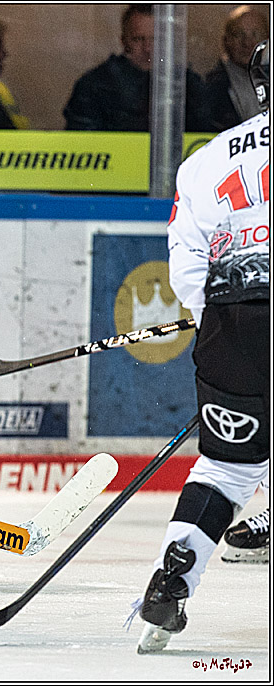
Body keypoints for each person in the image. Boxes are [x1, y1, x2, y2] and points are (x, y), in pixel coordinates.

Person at [136, 40, 269, 654]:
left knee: (225, 469)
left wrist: (223, 327)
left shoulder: (206, 161)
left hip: (232, 322)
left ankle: (171, 581)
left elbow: (189, 271)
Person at [63, 4, 208, 132]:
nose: (147, 48)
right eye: (138, 39)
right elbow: (83, 140)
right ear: (123, 41)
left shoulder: (187, 85)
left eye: (155, 39)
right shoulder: (94, 86)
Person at [203, 6, 270, 132]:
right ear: (226, 40)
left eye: (255, 34)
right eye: (239, 34)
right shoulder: (209, 89)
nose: (247, 43)